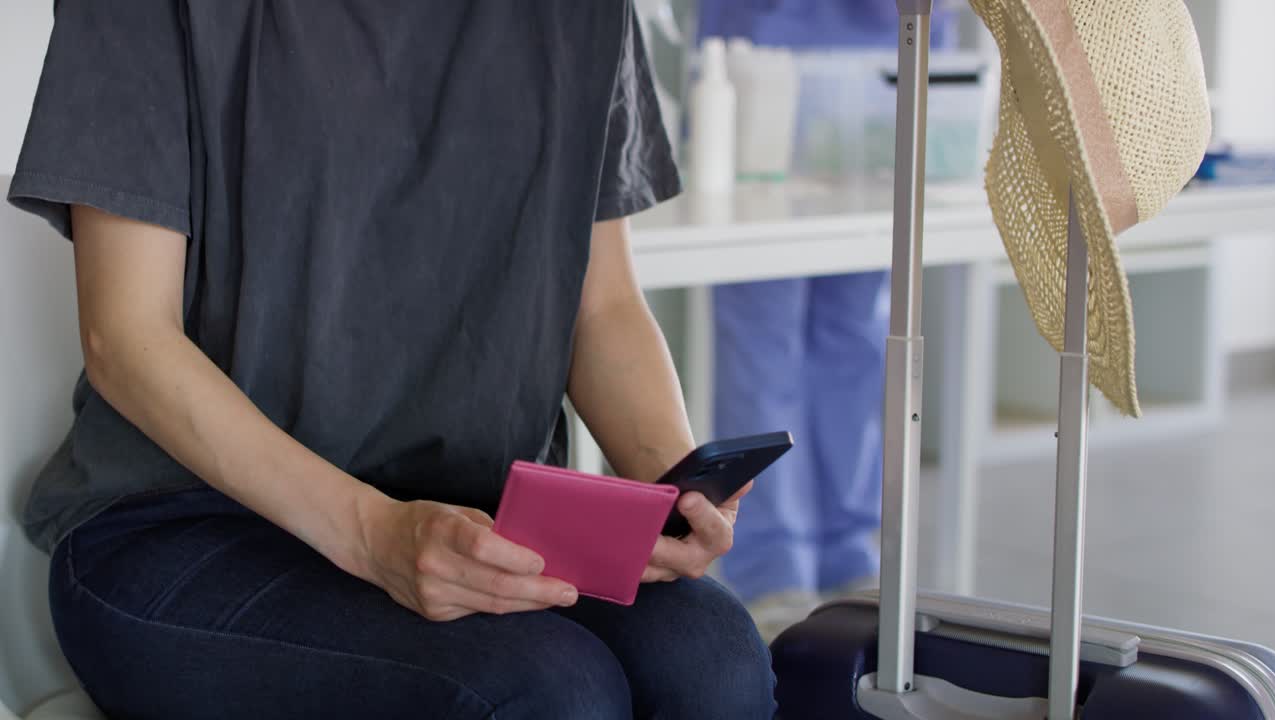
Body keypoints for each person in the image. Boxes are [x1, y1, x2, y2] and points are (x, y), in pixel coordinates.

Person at [7, 2, 775, 718]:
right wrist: (376, 536)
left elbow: (601, 308)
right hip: (186, 526)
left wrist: (674, 490)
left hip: (480, 519)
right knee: (553, 693)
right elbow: (128, 340)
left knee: (714, 668)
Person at [698, 0, 955, 640]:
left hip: (888, 65)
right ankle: (769, 567)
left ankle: (846, 553)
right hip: (767, 62)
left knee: (856, 337)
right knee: (764, 338)